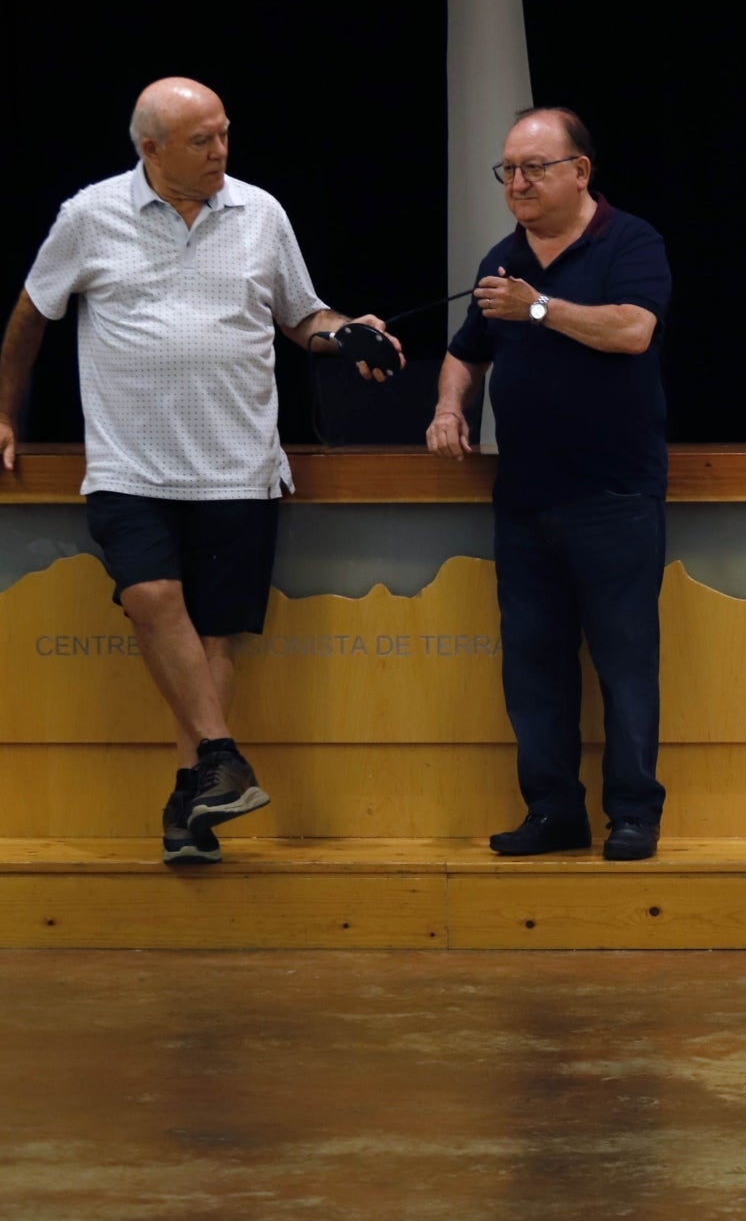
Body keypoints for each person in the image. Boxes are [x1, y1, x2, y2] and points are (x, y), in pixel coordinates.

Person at [0, 78, 402, 863]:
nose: (221, 151)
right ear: (149, 149)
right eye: (200, 141)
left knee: (215, 636)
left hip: (239, 466)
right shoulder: (88, 216)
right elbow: (30, 316)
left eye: (224, 134)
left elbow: (302, 317)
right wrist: (6, 413)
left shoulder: (261, 213)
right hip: (130, 465)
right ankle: (221, 754)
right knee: (151, 597)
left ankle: (194, 801)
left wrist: (346, 332)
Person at [431, 107, 673, 862]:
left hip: (614, 496)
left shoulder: (628, 241)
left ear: (580, 172)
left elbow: (633, 329)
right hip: (525, 499)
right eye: (508, 170)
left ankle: (632, 814)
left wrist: (537, 307)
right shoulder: (500, 262)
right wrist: (448, 405)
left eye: (534, 168)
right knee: (533, 666)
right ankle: (552, 811)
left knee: (625, 661)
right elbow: (465, 350)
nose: (518, 183)